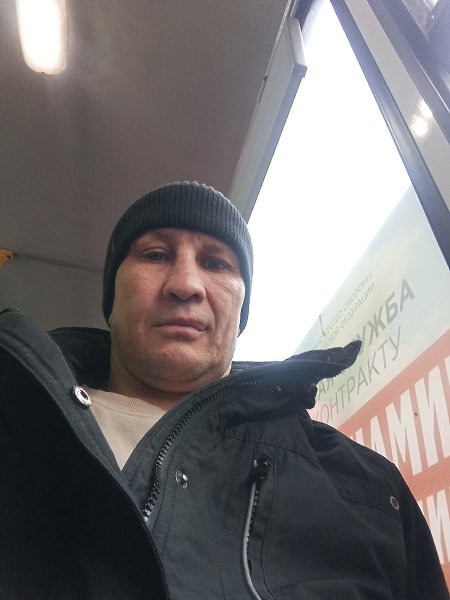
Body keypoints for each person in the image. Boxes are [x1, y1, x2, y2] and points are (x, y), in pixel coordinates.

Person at [0, 181, 447, 600]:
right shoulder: (15, 427)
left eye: (216, 263)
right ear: (111, 299)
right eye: (155, 255)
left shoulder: (370, 493)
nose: (185, 285)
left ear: (241, 308)